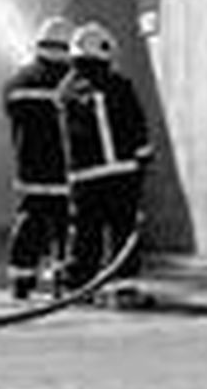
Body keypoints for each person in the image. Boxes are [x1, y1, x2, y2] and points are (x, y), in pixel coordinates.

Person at [56, 21, 152, 296]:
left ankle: (78, 285)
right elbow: (135, 123)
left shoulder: (66, 90)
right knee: (122, 229)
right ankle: (123, 288)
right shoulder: (118, 84)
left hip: (83, 178)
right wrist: (144, 155)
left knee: (86, 233)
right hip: (121, 173)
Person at [2, 15, 75, 301]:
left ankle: (21, 281)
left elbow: (10, 114)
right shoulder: (73, 83)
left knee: (29, 222)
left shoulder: (17, 81)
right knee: (65, 228)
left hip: (30, 170)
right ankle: (62, 282)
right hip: (65, 171)